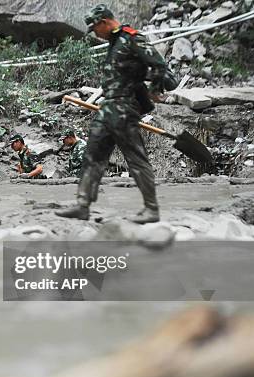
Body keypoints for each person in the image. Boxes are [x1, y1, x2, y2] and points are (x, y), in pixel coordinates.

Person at [55, 4, 178, 224]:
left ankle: (151, 209)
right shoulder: (113, 43)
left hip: (124, 108)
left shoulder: (132, 38)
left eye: (96, 29)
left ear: (103, 22)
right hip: (107, 108)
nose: (96, 35)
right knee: (92, 155)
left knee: (135, 159)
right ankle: (83, 205)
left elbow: (158, 64)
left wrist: (154, 91)